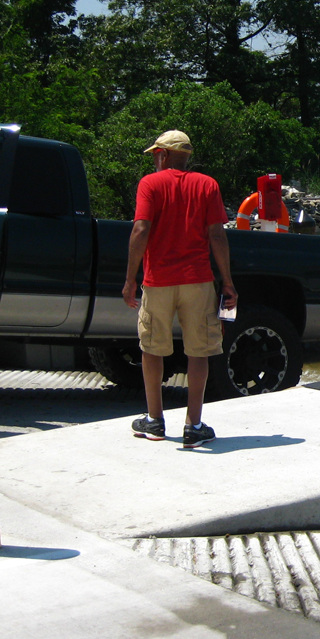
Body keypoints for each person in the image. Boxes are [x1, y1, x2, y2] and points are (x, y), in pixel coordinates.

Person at [122, 130, 238, 447]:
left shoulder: (150, 184)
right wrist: (227, 281)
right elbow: (217, 236)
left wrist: (131, 278)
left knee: (151, 347)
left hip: (158, 281)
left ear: (161, 154)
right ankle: (194, 424)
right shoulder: (207, 185)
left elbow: (141, 229)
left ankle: (155, 420)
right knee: (198, 351)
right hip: (198, 280)